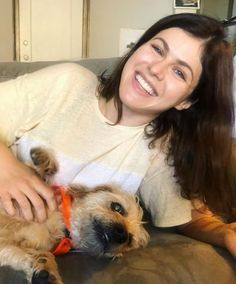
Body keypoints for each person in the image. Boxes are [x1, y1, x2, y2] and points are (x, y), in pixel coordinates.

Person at [0, 13, 236, 258]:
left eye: (179, 72)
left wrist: (225, 233)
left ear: (187, 101)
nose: (155, 69)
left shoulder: (158, 151)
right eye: (157, 49)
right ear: (138, 47)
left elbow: (185, 218)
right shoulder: (67, 83)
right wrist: (5, 166)